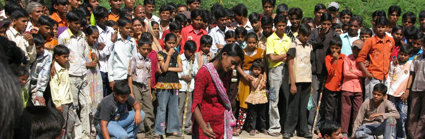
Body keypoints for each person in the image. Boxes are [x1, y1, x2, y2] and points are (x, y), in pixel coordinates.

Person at [192, 43, 243, 139]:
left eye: (235, 65)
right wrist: (203, 127)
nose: (233, 67)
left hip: (221, 125)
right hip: (205, 127)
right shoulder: (204, 73)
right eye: (232, 63)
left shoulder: (228, 73)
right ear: (224, 55)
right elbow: (195, 105)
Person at [57, 10, 92, 138]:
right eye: (75, 23)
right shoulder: (64, 37)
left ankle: (86, 133)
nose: (78, 26)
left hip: (83, 73)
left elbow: (84, 53)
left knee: (87, 104)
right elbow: (60, 55)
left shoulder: (82, 35)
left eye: (79, 23)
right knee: (73, 107)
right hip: (71, 74)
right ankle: (75, 134)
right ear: (69, 22)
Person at [284, 24, 313, 139]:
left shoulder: (310, 46)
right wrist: (293, 83)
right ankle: (288, 130)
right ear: (299, 34)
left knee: (304, 107)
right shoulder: (293, 45)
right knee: (293, 107)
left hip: (307, 80)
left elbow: (309, 64)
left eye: (307, 35)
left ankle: (303, 130)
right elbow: (290, 65)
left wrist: (311, 83)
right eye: (304, 35)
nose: (305, 37)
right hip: (296, 80)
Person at [234, 32, 265, 136]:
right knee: (244, 104)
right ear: (246, 42)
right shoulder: (242, 52)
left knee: (255, 105)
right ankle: (239, 127)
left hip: (257, 80)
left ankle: (252, 127)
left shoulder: (261, 52)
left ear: (257, 42)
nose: (251, 45)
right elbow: (238, 66)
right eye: (249, 42)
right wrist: (245, 76)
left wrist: (263, 80)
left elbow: (264, 68)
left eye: (253, 43)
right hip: (245, 81)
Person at [357, 16, 395, 100]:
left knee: (382, 102)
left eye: (383, 27)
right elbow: (360, 59)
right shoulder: (370, 41)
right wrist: (367, 73)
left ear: (387, 27)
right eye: (378, 27)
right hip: (373, 76)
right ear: (375, 27)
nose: (380, 29)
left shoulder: (391, 41)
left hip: (385, 77)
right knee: (370, 101)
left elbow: (391, 56)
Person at [266, 14, 292, 136]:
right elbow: (272, 57)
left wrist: (279, 57)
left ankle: (287, 126)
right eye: (279, 26)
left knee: (287, 99)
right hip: (274, 71)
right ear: (275, 26)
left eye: (283, 25)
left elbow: (290, 56)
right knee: (273, 99)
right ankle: (274, 127)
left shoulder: (288, 38)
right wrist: (283, 56)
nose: (281, 28)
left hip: (287, 70)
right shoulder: (270, 39)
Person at [154, 33, 182, 138]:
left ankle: (173, 129)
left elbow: (180, 69)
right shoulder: (161, 54)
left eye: (173, 43)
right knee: (162, 107)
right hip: (163, 83)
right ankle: (159, 131)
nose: (171, 45)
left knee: (173, 107)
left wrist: (168, 68)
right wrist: (169, 55)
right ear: (165, 42)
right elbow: (164, 68)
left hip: (174, 83)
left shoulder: (177, 54)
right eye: (169, 43)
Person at [128, 38, 155, 138]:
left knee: (149, 108)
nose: (146, 51)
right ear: (138, 48)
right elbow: (130, 76)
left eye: (148, 49)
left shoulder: (148, 60)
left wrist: (150, 92)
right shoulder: (134, 58)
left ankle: (150, 132)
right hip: (135, 85)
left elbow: (149, 77)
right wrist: (131, 92)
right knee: (137, 107)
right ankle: (140, 132)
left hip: (145, 87)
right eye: (144, 49)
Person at [49, 45, 76, 138]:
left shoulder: (64, 66)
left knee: (71, 121)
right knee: (62, 124)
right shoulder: (55, 70)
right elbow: (54, 87)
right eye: (64, 57)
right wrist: (57, 104)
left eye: (67, 56)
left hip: (69, 100)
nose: (66, 59)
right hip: (62, 101)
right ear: (56, 57)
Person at [384, 45, 412, 139]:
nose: (403, 56)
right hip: (392, 93)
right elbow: (389, 77)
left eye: (405, 55)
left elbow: (410, 77)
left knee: (402, 116)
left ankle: (401, 136)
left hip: (402, 94)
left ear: (409, 55)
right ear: (399, 53)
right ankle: (391, 136)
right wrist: (386, 93)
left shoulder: (411, 64)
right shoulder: (393, 63)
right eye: (401, 54)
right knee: (391, 116)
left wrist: (407, 91)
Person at [340, 40, 365, 137]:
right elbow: (346, 73)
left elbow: (365, 74)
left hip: (359, 88)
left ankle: (355, 131)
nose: (355, 51)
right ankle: (344, 131)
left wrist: (353, 71)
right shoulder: (347, 58)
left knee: (357, 111)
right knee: (345, 111)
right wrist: (359, 73)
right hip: (347, 87)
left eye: (358, 49)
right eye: (354, 48)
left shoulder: (364, 60)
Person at [108, 17, 137, 90]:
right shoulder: (115, 40)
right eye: (127, 28)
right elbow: (110, 61)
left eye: (130, 28)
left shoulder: (132, 41)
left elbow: (134, 58)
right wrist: (111, 79)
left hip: (129, 76)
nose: (129, 30)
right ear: (120, 28)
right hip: (118, 76)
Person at [178, 40, 199, 135]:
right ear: (185, 50)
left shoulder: (194, 59)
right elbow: (176, 72)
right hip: (181, 87)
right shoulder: (179, 58)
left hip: (189, 88)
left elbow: (196, 72)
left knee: (189, 107)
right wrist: (183, 76)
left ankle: (186, 126)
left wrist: (193, 62)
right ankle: (178, 126)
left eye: (193, 52)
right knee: (180, 107)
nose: (191, 54)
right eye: (189, 51)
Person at [323, 36, 346, 123]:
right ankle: (328, 126)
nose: (334, 50)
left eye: (337, 48)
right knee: (329, 109)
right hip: (331, 87)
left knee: (338, 108)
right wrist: (335, 60)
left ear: (340, 48)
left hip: (340, 87)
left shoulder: (344, 57)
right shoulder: (328, 58)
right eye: (332, 48)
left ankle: (336, 127)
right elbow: (330, 72)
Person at [94, 6, 115, 97]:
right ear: (96, 18)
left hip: (112, 68)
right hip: (101, 68)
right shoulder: (94, 31)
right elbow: (101, 55)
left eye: (106, 16)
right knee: (102, 95)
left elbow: (112, 50)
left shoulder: (110, 30)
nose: (105, 19)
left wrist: (105, 46)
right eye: (103, 17)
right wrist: (111, 42)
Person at [406, 37, 425, 138]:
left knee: (423, 116)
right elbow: (411, 74)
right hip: (416, 89)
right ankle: (411, 135)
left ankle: (418, 136)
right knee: (413, 114)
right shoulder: (417, 58)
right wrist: (408, 89)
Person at [244, 59, 268, 136]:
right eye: (255, 69)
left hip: (262, 98)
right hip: (254, 98)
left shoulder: (263, 78)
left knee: (262, 115)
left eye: (259, 70)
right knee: (253, 115)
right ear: (252, 69)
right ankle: (252, 128)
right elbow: (254, 86)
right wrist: (259, 79)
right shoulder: (251, 77)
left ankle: (263, 128)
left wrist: (267, 92)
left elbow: (264, 88)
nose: (257, 71)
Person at [84, 26, 104, 115]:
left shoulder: (95, 46)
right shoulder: (83, 46)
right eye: (93, 37)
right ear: (87, 35)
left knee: (97, 99)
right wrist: (87, 64)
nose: (95, 40)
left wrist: (95, 58)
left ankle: (95, 123)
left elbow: (96, 60)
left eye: (97, 38)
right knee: (88, 100)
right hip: (87, 76)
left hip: (96, 75)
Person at [29, 34, 52, 106]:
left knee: (39, 105)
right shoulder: (26, 52)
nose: (42, 49)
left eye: (43, 47)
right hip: (24, 83)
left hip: (36, 85)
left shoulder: (47, 55)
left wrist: (39, 92)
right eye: (38, 48)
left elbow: (44, 74)